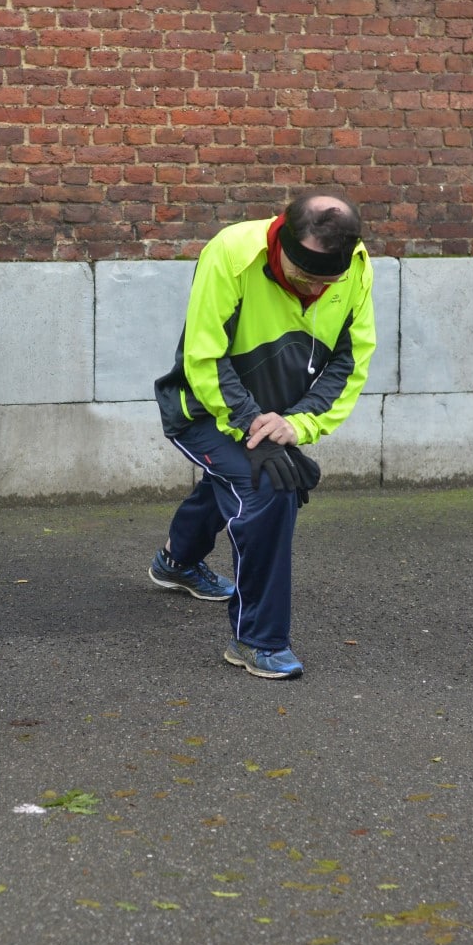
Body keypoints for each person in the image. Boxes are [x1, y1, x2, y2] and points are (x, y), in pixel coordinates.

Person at [149, 191, 375, 679]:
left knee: (238, 478)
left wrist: (300, 422)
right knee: (271, 486)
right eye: (305, 277)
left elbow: (350, 359)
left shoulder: (356, 264)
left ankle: (176, 561)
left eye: (326, 282)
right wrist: (256, 424)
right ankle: (258, 640)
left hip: (276, 415)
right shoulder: (231, 252)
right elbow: (204, 356)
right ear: (283, 242)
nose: (316, 290)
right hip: (201, 409)